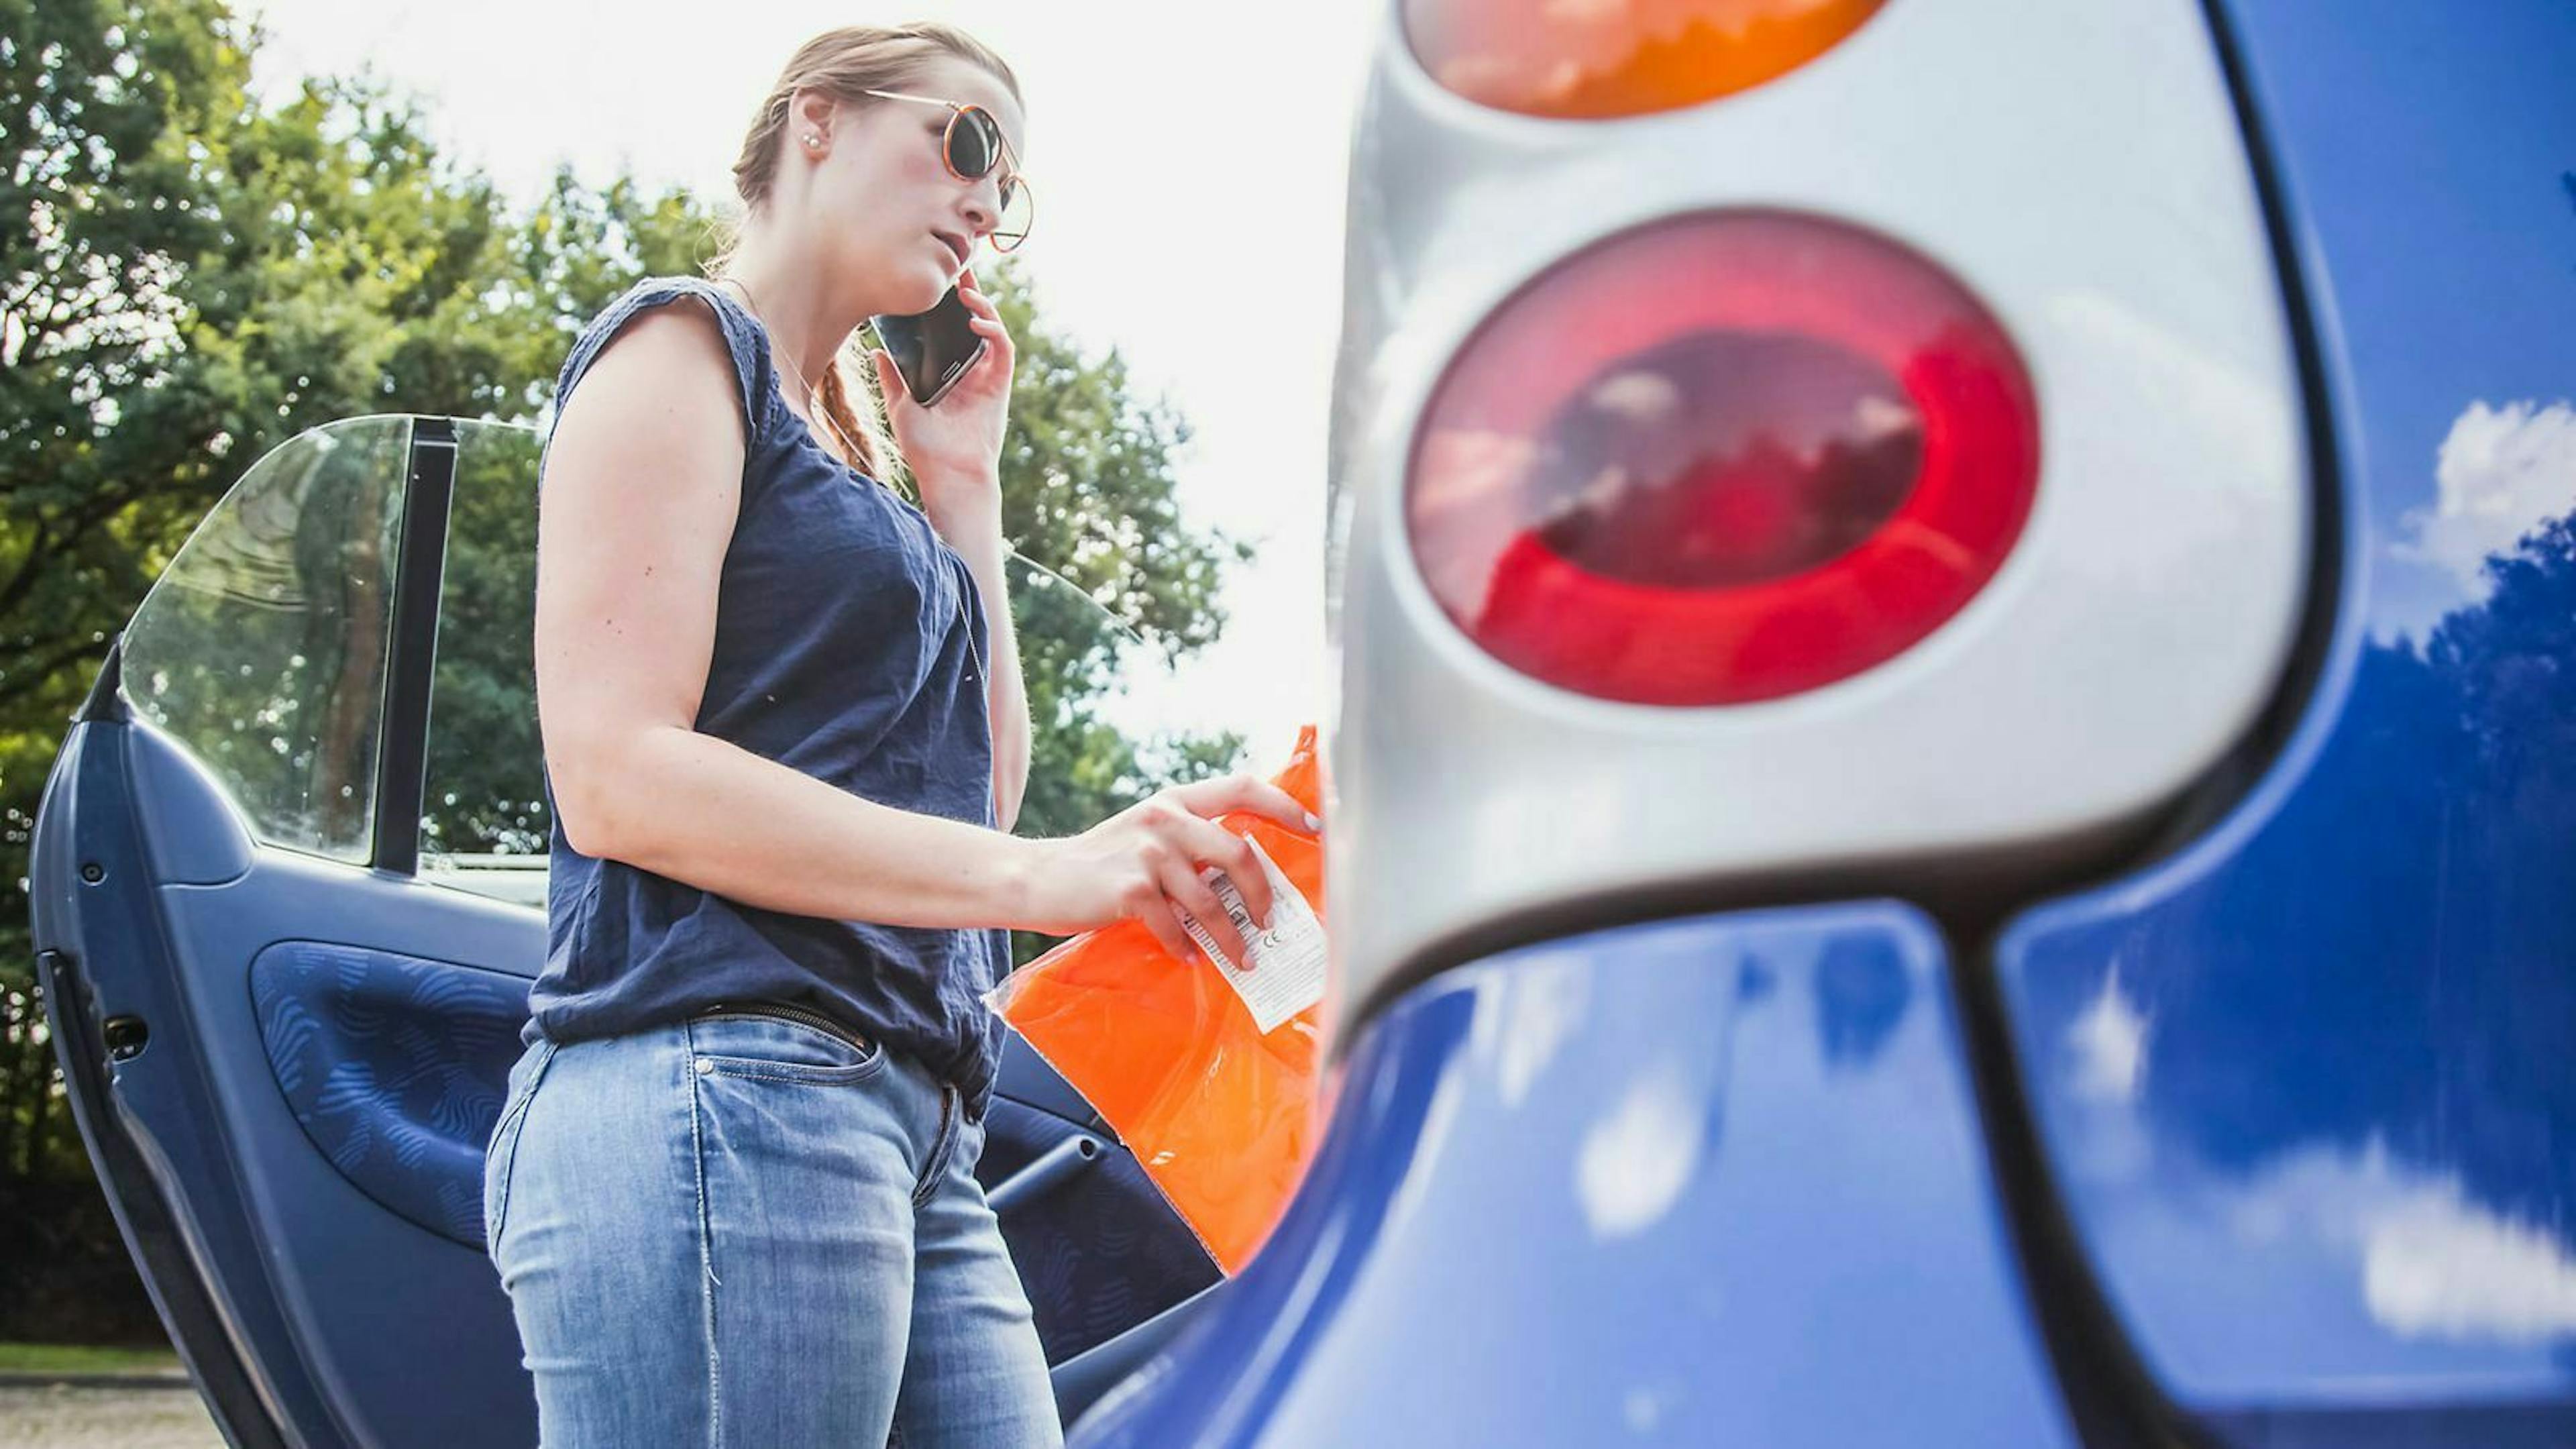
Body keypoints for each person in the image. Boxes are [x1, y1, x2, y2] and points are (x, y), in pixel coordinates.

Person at [479, 21, 1316, 1447]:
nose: (990, 201)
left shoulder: (862, 466)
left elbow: (977, 806)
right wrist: (1050, 877)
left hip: (915, 1120)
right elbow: (616, 777)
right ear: (816, 119)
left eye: (1009, 186)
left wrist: (963, 489)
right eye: (969, 140)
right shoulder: (683, 345)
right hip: (723, 1085)